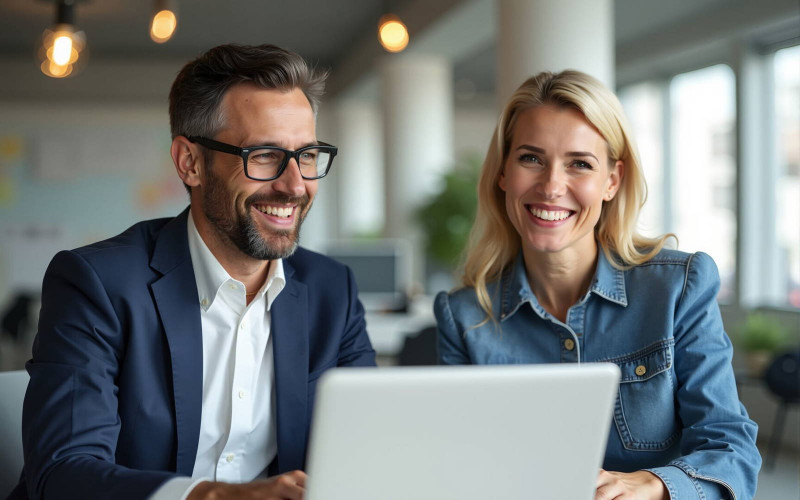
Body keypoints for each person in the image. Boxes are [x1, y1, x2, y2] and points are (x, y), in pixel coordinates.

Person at [12, 44, 375, 500]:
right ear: (190, 162)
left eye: (307, 155)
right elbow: (63, 474)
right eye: (264, 155)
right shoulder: (96, 283)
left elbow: (368, 450)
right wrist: (217, 496)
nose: (295, 185)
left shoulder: (331, 292)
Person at [434, 70, 761, 499]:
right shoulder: (463, 317)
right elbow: (458, 469)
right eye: (530, 158)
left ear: (612, 180)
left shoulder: (677, 288)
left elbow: (730, 448)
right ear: (502, 173)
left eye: (579, 164)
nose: (551, 187)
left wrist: (657, 485)